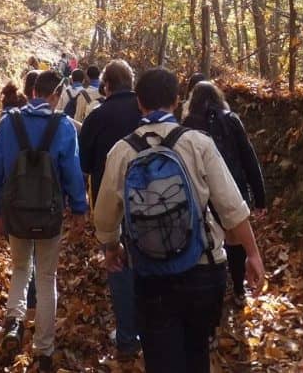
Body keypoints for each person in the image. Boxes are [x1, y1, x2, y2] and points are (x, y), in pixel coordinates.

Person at [93, 67, 265, 373]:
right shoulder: (198, 143)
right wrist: (252, 253)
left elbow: (105, 217)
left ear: (139, 103)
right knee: (197, 350)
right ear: (176, 101)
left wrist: (111, 247)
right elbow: (231, 207)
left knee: (160, 357)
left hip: (149, 270)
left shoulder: (121, 152)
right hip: (203, 268)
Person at [0, 70, 88, 372]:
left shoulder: (9, 123)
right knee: (46, 278)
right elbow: (72, 172)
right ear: (56, 95)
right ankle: (44, 350)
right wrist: (79, 210)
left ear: (32, 92)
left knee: (19, 269)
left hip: (15, 212)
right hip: (49, 214)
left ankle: (14, 323)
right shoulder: (64, 127)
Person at [77, 60, 142, 361]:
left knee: (117, 263)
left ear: (106, 85)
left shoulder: (97, 116)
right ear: (131, 82)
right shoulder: (146, 111)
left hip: (111, 199)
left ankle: (128, 337)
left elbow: (85, 164)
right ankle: (154, 329)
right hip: (154, 199)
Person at [183, 80, 267, 307]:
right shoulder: (231, 120)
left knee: (209, 240)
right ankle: (239, 289)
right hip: (234, 187)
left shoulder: (188, 124)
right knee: (234, 238)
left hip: (203, 190)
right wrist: (260, 198)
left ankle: (213, 289)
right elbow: (249, 159)